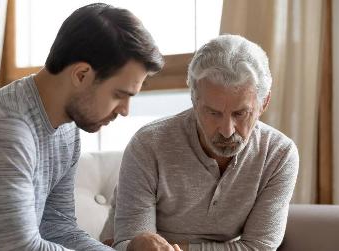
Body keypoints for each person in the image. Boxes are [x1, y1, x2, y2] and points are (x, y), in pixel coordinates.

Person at [0, 3, 164, 251]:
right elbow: (22, 248)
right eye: (120, 94)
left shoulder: (66, 128)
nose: (125, 110)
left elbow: (57, 225)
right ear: (81, 75)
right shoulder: (5, 129)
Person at [111, 35, 299, 251]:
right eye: (213, 112)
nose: (227, 130)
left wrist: (179, 248)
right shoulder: (148, 144)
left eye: (240, 113)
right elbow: (134, 243)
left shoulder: (279, 154)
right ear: (194, 99)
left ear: (263, 103)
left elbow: (259, 248)